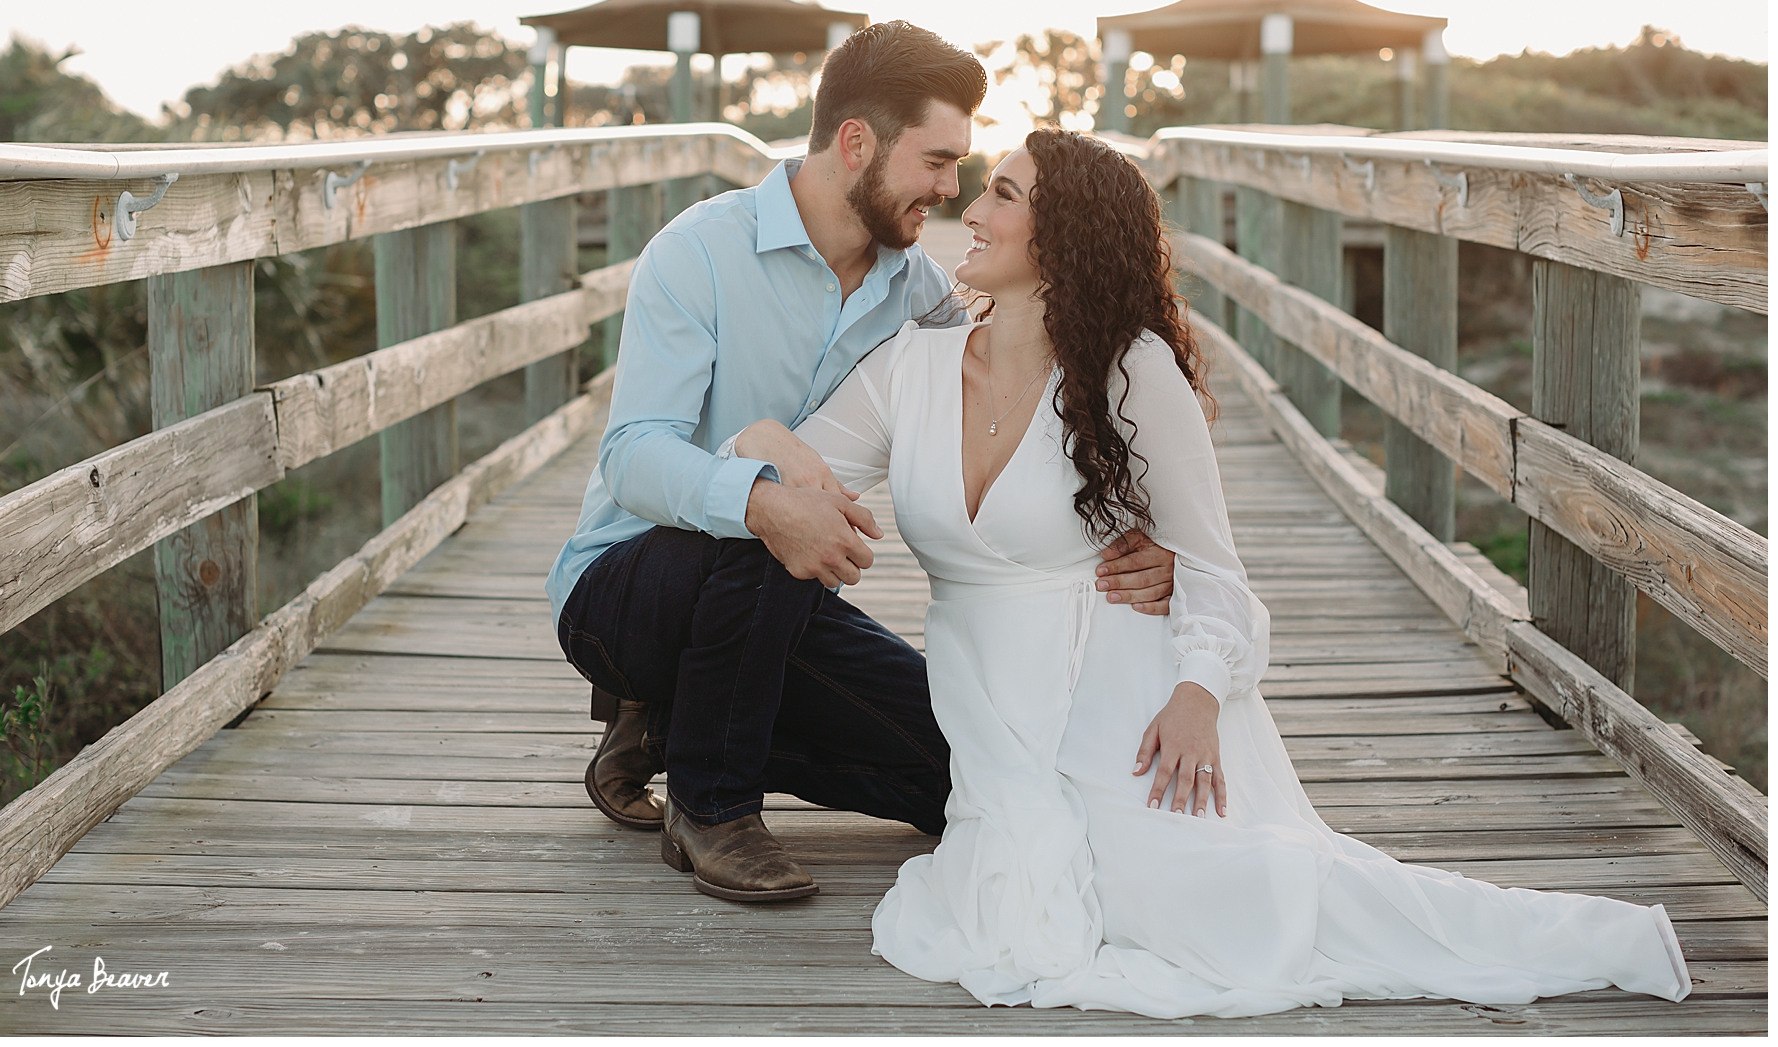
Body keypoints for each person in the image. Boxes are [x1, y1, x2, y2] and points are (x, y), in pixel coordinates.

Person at [725, 129, 1692, 1018]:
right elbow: (782, 458)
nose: (970, 212)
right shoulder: (914, 366)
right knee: (1017, 904)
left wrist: (1196, 695)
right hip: (994, 714)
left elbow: (1215, 571)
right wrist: (766, 445)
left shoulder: (1130, 368)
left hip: (1127, 694)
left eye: (1004, 196)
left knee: (1227, 910)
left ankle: (1590, 935)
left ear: (1063, 239)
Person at [546, 22, 1180, 904]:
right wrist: (759, 496)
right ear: (857, 142)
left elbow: (1017, 409)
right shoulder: (699, 252)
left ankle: (666, 731)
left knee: (958, 776)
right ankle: (714, 806)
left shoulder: (922, 297)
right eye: (937, 161)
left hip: (780, 611)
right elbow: (631, 458)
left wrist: (1135, 531)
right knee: (771, 512)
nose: (950, 191)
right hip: (626, 589)